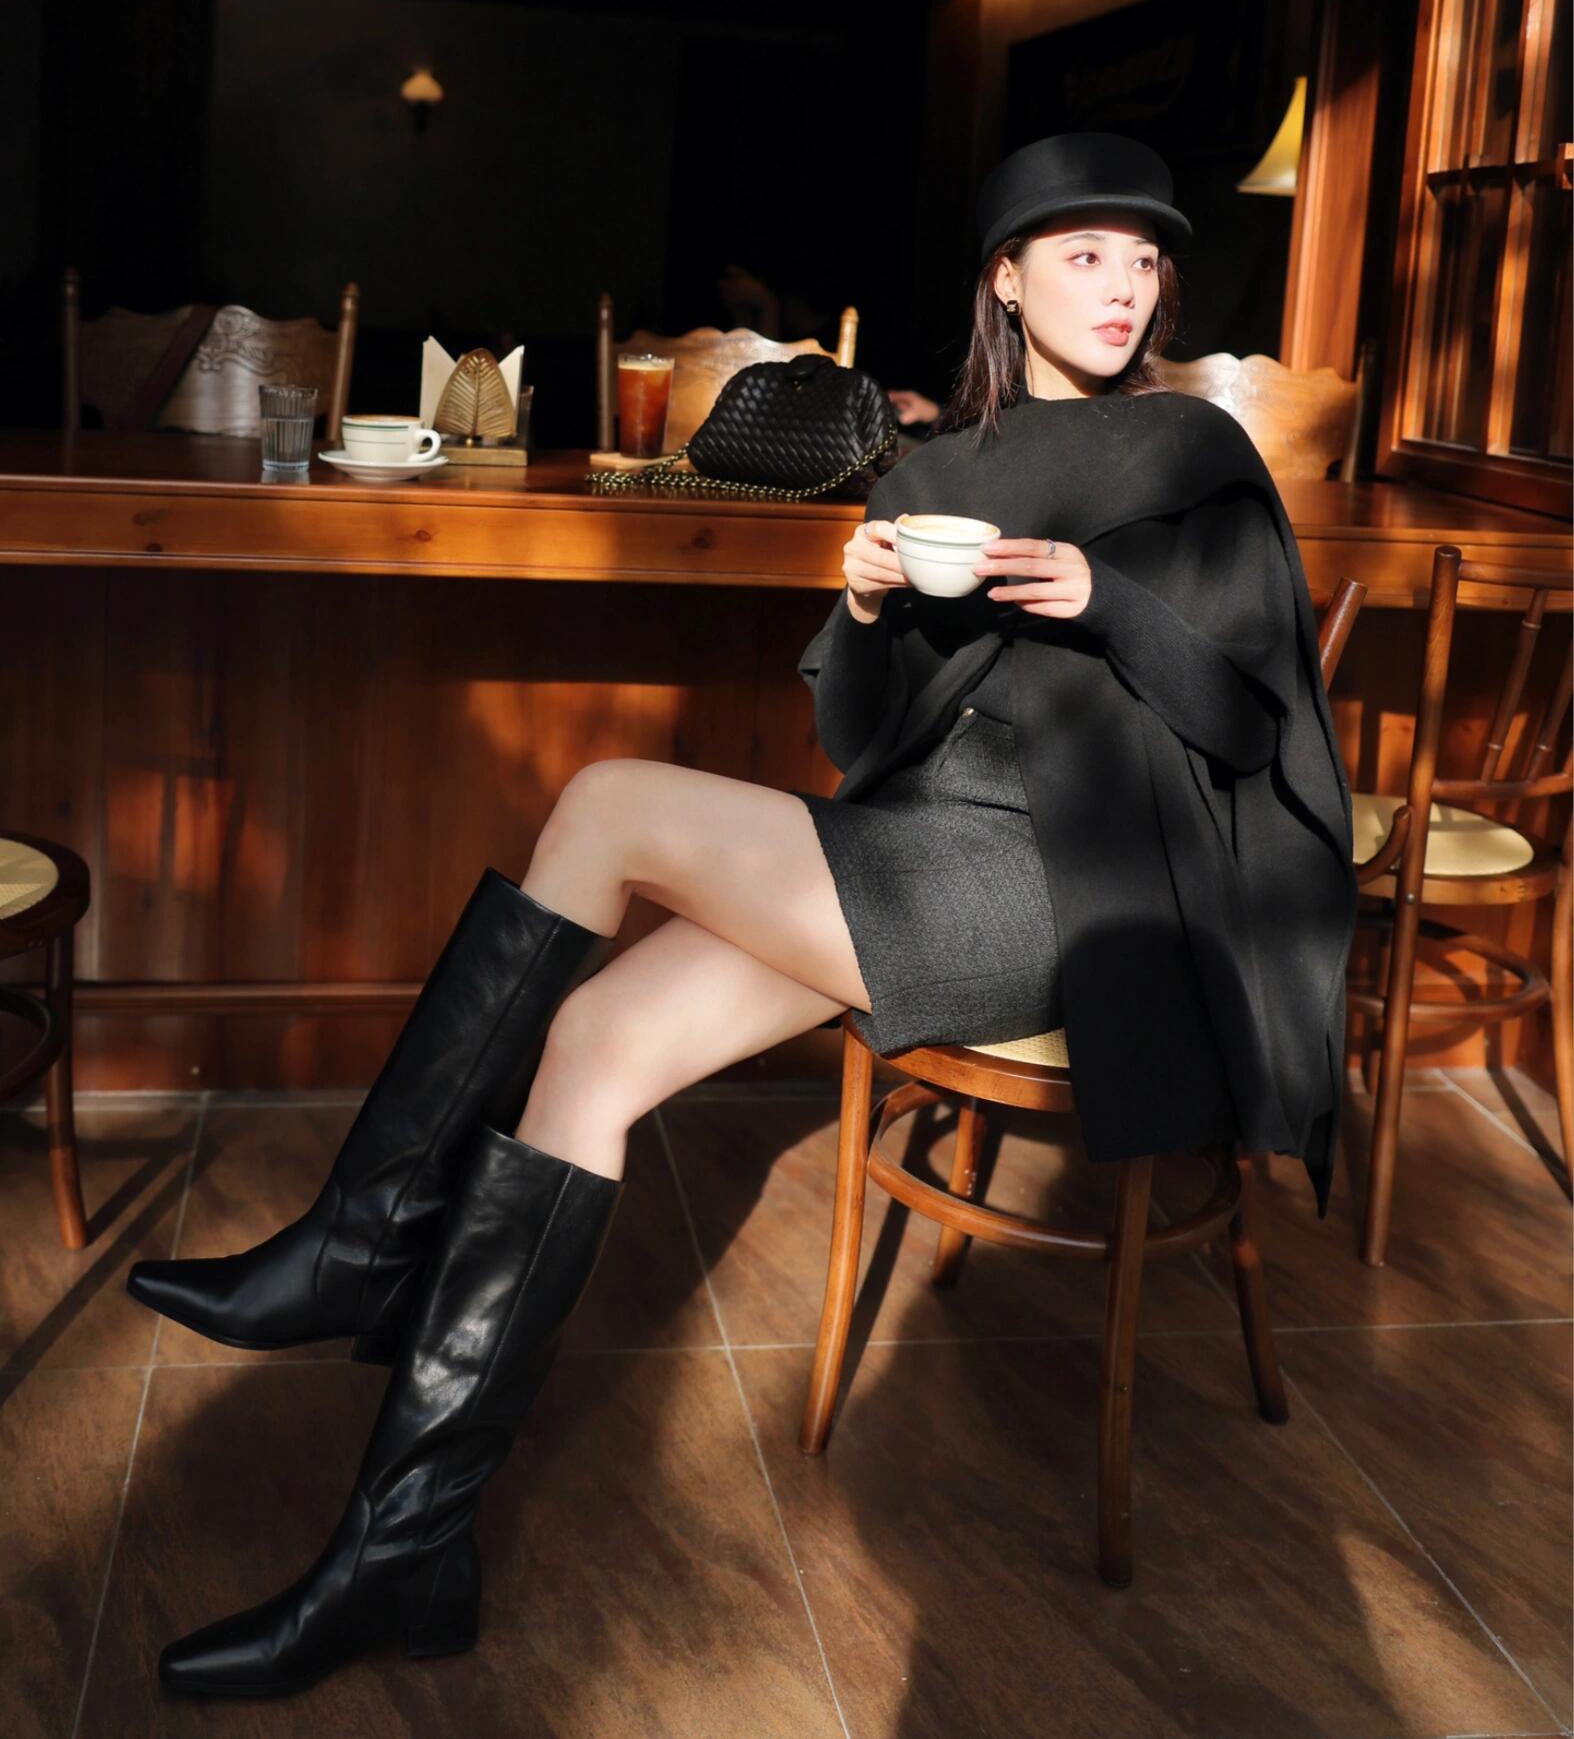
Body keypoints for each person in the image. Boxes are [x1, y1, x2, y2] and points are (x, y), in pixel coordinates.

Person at [126, 131, 1357, 1700]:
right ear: (1005, 278)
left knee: (607, 802)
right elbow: (870, 741)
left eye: (1140, 259)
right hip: (918, 846)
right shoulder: (935, 475)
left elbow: (1255, 729)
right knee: (590, 1047)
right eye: (1080, 256)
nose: (1120, 286)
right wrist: (863, 607)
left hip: (1071, 889)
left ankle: (361, 1238)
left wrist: (1105, 605)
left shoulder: (1191, 452)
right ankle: (402, 1553)